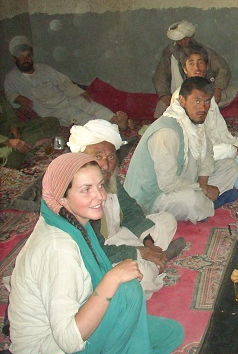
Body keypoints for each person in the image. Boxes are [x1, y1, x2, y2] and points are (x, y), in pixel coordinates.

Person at [9, 153, 184, 354]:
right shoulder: (58, 248)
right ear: (62, 198)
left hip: (80, 314)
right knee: (126, 289)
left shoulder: (73, 223)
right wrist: (111, 279)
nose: (100, 196)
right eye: (86, 190)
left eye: (100, 186)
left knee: (171, 334)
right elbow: (69, 341)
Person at [68, 119, 184, 299]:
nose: (106, 165)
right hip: (95, 254)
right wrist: (139, 252)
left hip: (118, 236)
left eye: (111, 157)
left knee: (167, 220)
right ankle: (158, 262)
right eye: (98, 157)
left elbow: (131, 212)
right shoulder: (75, 193)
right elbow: (93, 250)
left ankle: (154, 259)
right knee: (139, 279)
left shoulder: (108, 177)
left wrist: (148, 243)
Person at [125, 77, 238, 223]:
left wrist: (203, 181)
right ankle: (206, 205)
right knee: (192, 200)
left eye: (206, 101)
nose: (203, 108)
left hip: (183, 178)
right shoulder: (166, 132)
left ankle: (204, 204)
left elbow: (208, 153)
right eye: (197, 101)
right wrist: (202, 189)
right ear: (182, 101)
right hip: (153, 196)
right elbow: (167, 183)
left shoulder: (195, 120)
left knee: (230, 166)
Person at [4, 36, 129, 130]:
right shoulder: (12, 78)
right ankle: (111, 128)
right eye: (22, 58)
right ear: (15, 59)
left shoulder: (43, 69)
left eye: (28, 56)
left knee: (89, 104)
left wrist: (79, 92)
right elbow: (9, 95)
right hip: (51, 110)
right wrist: (18, 97)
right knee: (82, 117)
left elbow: (63, 82)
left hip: (65, 98)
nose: (26, 60)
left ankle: (117, 120)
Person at [172, 45, 238, 159]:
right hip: (195, 148)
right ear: (185, 69)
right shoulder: (181, 96)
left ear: (206, 67)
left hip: (215, 144)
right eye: (191, 63)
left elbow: (221, 129)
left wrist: (234, 145)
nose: (197, 67)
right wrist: (230, 149)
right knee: (227, 151)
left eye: (200, 63)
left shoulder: (208, 93)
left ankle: (232, 159)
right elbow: (192, 137)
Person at [152, 20, 231, 118]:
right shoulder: (169, 53)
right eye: (179, 40)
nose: (182, 42)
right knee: (163, 108)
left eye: (185, 39)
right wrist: (164, 95)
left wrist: (217, 88)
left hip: (203, 90)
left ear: (192, 36)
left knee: (219, 99)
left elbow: (223, 69)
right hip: (181, 92)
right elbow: (160, 76)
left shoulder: (204, 51)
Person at [0, 92, 59, 168]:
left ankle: (25, 145)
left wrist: (14, 129)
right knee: (9, 158)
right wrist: (7, 141)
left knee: (52, 121)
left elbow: (8, 112)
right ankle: (30, 145)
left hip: (8, 129)